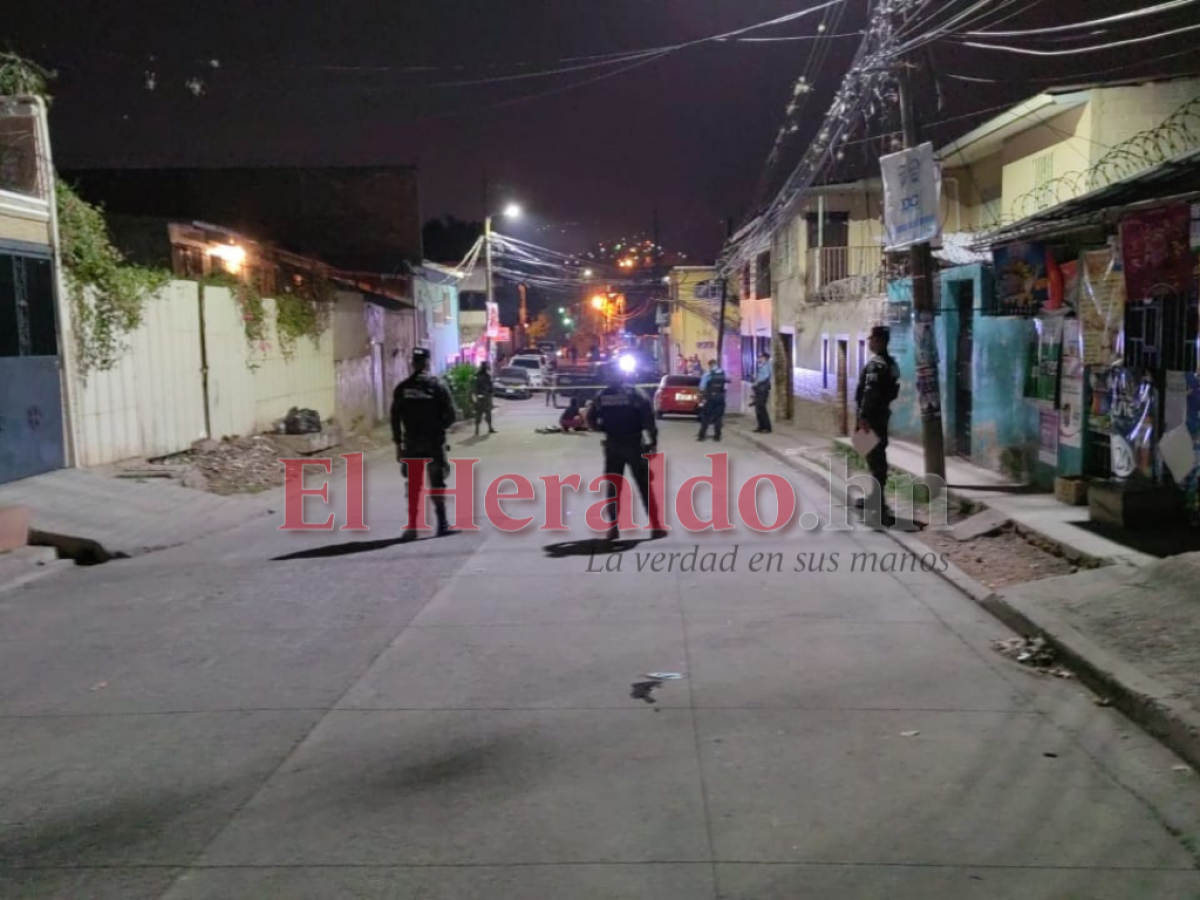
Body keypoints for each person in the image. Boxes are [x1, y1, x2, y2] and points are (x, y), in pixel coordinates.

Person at [587, 366, 666, 543]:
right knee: (644, 486)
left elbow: (590, 419)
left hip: (613, 445)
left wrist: (602, 428)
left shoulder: (602, 396)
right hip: (634, 444)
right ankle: (656, 526)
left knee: (613, 487)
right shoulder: (635, 394)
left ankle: (613, 529)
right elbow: (648, 419)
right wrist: (653, 442)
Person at [392, 347, 457, 541]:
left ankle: (413, 527)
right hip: (434, 444)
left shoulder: (402, 388)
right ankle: (442, 525)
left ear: (413, 363)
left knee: (413, 485)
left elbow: (395, 419)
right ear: (428, 362)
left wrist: (398, 444)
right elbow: (451, 415)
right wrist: (439, 429)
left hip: (411, 444)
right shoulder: (437, 386)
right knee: (437, 483)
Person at [855, 325, 901, 526]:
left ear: (880, 341)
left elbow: (870, 392)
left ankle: (880, 509)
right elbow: (893, 391)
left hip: (872, 418)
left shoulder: (876, 365)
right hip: (882, 415)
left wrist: (863, 415)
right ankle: (875, 498)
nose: (869, 341)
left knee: (876, 462)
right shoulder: (891, 364)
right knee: (874, 456)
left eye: (872, 338)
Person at [697, 358, 727, 442]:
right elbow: (726, 385)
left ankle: (702, 436)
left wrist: (702, 397)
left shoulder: (708, 374)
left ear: (710, 365)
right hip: (720, 397)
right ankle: (717, 436)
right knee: (719, 417)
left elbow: (702, 387)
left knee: (706, 417)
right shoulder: (724, 373)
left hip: (710, 397)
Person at [473, 361, 496, 436]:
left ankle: (479, 429)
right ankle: (486, 428)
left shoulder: (479, 375)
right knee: (484, 413)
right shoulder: (483, 376)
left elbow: (490, 386)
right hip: (484, 397)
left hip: (483, 397)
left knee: (481, 413)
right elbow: (490, 386)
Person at [753, 351, 773, 433]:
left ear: (765, 358)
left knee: (761, 408)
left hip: (763, 389)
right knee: (758, 409)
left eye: (760, 357)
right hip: (759, 389)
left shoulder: (767, 365)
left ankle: (767, 427)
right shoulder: (762, 365)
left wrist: (757, 381)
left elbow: (765, 376)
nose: (759, 358)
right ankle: (760, 426)